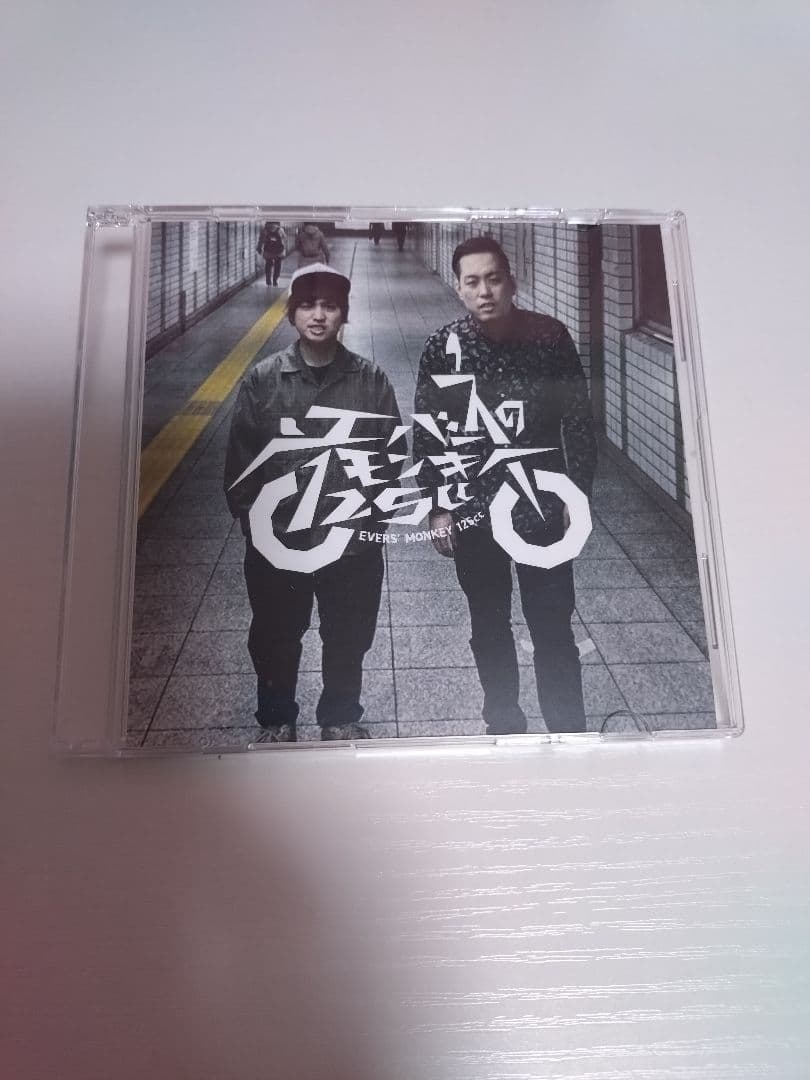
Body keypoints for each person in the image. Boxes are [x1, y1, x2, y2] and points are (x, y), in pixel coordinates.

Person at [413, 236, 597, 735]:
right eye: (472, 282)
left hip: (540, 507)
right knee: (489, 625)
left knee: (553, 626)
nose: (485, 291)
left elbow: (578, 420)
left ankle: (567, 730)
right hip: (473, 510)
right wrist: (437, 505)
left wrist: (577, 493)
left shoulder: (549, 338)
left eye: (494, 279)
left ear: (511, 282)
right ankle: (503, 723)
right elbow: (429, 431)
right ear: (458, 287)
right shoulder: (443, 347)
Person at [224, 264, 401, 743]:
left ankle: (339, 717)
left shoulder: (370, 380)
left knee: (348, 634)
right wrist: (255, 527)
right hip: (279, 540)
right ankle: (276, 720)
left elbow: (391, 457)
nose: (318, 315)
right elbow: (241, 464)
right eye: (307, 305)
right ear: (291, 314)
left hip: (351, 543)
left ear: (344, 313)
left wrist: (372, 523)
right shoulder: (264, 380)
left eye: (330, 306)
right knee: (275, 635)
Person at [256, 220, 286, 286]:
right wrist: (284, 250)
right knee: (277, 266)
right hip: (278, 252)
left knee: (268, 265)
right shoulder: (280, 230)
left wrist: (259, 248)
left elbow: (261, 240)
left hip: (268, 251)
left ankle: (268, 280)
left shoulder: (265, 230)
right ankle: (275, 280)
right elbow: (284, 240)